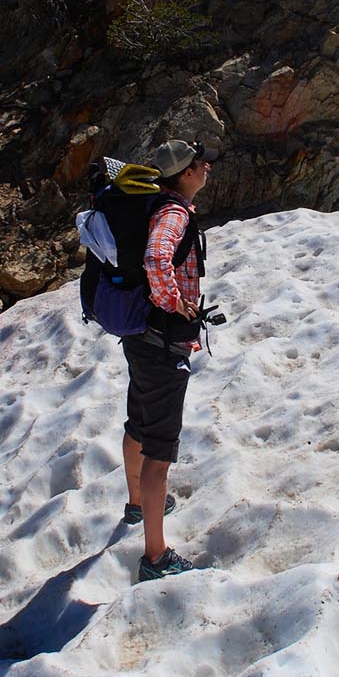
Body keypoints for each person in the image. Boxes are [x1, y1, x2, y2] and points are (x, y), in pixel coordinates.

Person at [114, 140, 225, 582]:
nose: (207, 168)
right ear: (184, 174)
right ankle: (155, 558)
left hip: (141, 336)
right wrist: (175, 304)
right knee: (160, 451)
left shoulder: (155, 204)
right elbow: (157, 257)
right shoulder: (174, 213)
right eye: (200, 164)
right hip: (163, 341)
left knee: (137, 423)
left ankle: (137, 504)